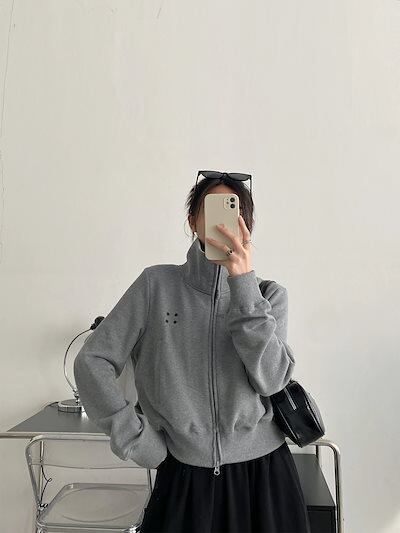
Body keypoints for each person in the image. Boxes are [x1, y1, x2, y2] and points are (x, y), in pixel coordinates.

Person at [74, 172, 311, 533]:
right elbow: (92, 360)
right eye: (213, 211)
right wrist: (137, 439)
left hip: (265, 478)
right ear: (193, 222)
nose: (225, 224)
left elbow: (272, 379)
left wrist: (243, 286)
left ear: (247, 226)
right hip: (184, 479)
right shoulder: (155, 286)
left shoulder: (268, 296)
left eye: (235, 213)